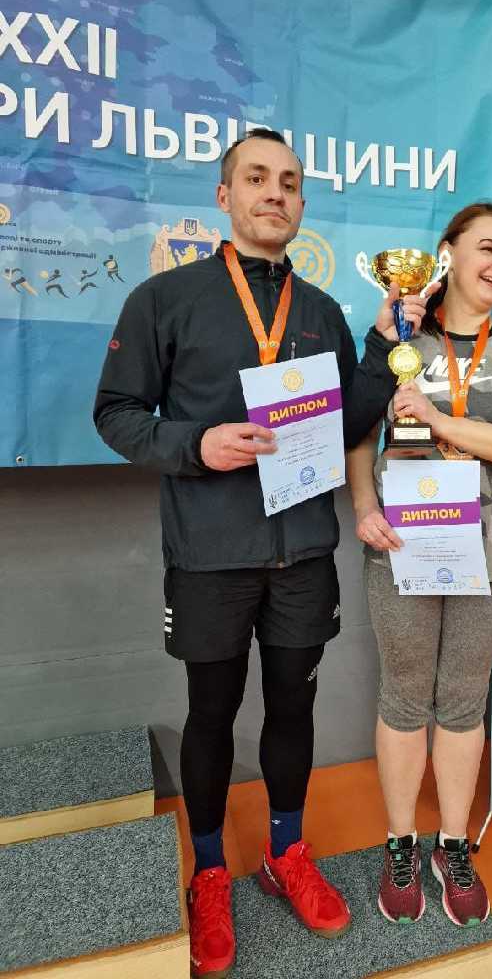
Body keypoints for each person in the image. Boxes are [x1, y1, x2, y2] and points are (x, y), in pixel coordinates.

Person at [94, 128, 431, 977]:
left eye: (288, 181)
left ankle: (286, 851)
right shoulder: (165, 299)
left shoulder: (319, 312)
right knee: (211, 714)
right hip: (210, 554)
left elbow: (350, 421)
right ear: (225, 195)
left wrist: (384, 349)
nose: (274, 193)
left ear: (302, 203)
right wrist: (195, 445)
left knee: (292, 710)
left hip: (303, 553)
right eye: (256, 178)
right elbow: (116, 412)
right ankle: (210, 871)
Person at [347, 202, 492, 928]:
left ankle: (454, 845)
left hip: (489, 552)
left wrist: (443, 421)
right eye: (487, 248)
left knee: (464, 701)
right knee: (405, 697)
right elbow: (358, 433)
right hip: (403, 546)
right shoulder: (400, 336)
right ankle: (401, 844)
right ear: (448, 254)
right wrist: (364, 505)